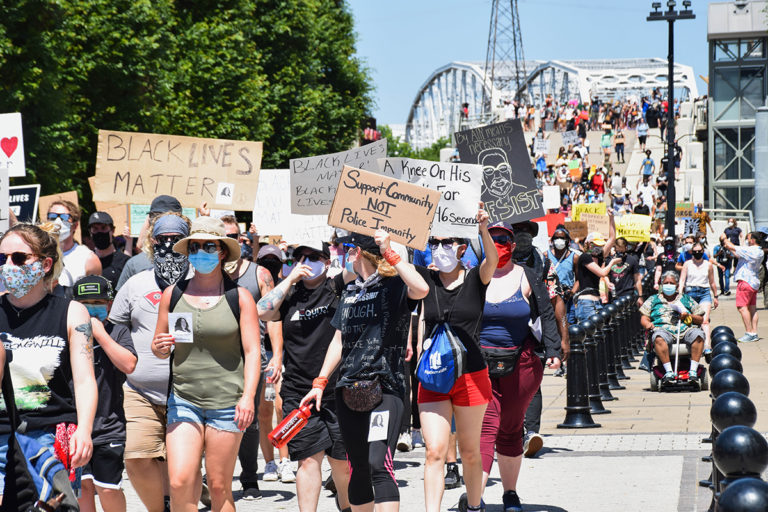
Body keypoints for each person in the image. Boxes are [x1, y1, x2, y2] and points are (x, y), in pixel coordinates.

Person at [300, 229, 429, 511]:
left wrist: (390, 253)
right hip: (348, 388)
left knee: (377, 462)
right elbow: (338, 340)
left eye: (349, 248)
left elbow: (421, 289)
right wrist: (320, 381)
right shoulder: (348, 291)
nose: (345, 254)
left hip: (385, 389)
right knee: (357, 466)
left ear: (358, 252)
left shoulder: (393, 286)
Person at [151, 216, 260, 511]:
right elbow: (160, 346)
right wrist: (160, 347)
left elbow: (253, 352)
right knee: (179, 481)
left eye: (208, 246)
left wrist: (248, 398)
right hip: (184, 399)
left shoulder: (240, 297)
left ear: (222, 251)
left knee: (219, 486)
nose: (201, 252)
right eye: (195, 246)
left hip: (227, 402)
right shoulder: (172, 294)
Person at [0, 223, 98, 498]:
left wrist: (85, 430)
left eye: (18, 258)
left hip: (52, 435)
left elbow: (84, 379)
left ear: (44, 264)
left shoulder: (72, 312)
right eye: (2, 258)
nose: (8, 265)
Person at [256, 238, 353, 512]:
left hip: (336, 390)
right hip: (299, 393)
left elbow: (356, 267)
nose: (306, 262)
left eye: (313, 257)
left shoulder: (336, 287)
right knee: (308, 460)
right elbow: (261, 311)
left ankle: (345, 505)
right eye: (300, 257)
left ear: (326, 261)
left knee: (342, 464)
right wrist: (288, 281)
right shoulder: (288, 296)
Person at [413, 205, 498, 512]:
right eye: (433, 243)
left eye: (446, 243)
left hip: (471, 377)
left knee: (470, 451)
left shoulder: (476, 278)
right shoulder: (425, 280)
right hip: (434, 377)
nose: (439, 249)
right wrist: (390, 242)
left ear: (462, 248)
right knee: (434, 451)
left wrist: (484, 228)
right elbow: (396, 266)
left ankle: (474, 506)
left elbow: (493, 260)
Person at [109, 212, 191, 512]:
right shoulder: (135, 284)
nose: (169, 245)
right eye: (162, 240)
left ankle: (178, 500)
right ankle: (160, 507)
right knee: (137, 456)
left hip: (190, 391)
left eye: (176, 239)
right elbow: (116, 323)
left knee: (181, 465)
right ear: (151, 243)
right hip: (141, 389)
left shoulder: (203, 284)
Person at [477, 222, 561, 511]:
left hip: (521, 364)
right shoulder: (476, 277)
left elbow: (547, 314)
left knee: (511, 429)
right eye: (491, 238)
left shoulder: (529, 276)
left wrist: (554, 351)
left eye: (503, 239)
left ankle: (510, 493)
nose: (498, 243)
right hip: (481, 365)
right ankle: (475, 497)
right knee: (487, 427)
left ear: (512, 245)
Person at [220, 215, 277, 499]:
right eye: (225, 236)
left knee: (250, 419)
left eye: (235, 236)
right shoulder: (207, 275)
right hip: (218, 360)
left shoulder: (259, 274)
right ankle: (219, 475)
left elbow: (275, 317)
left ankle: (249, 476)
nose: (232, 241)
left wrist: (277, 355)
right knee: (218, 419)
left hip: (253, 358)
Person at [73, 275, 137, 512]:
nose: (92, 308)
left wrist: (100, 334)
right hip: (74, 426)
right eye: (85, 303)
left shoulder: (118, 331)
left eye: (98, 301)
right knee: (83, 486)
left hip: (108, 425)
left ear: (109, 304)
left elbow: (129, 365)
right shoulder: (67, 332)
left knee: (108, 488)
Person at [254, 244, 293, 483]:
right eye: (264, 260)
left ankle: (285, 460)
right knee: (264, 411)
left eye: (274, 261)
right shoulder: (252, 286)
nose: (269, 264)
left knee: (281, 408)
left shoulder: (287, 289)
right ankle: (269, 463)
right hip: (261, 354)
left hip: (282, 355)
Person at [640, 271, 706, 388]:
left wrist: (689, 316)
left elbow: (700, 319)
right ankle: (669, 372)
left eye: (672, 283)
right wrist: (647, 324)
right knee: (658, 337)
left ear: (676, 285)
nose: (669, 285)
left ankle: (693, 372)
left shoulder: (685, 299)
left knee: (698, 335)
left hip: (685, 329)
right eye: (666, 283)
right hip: (663, 329)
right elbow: (644, 317)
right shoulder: (653, 299)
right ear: (661, 284)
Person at [116, 195, 183, 290]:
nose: (156, 221)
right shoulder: (135, 264)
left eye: (161, 217)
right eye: (153, 217)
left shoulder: (193, 261)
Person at [719, 231, 763, 343]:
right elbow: (738, 253)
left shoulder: (751, 249)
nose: (748, 240)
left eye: (749, 238)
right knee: (752, 309)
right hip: (753, 282)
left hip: (745, 282)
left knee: (742, 307)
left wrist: (724, 238)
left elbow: (731, 246)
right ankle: (754, 332)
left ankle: (749, 332)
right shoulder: (759, 251)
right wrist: (729, 247)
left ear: (753, 240)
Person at [47, 200, 102, 286]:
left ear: (75, 226)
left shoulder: (88, 259)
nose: (58, 222)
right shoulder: (38, 255)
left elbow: (94, 297)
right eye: (52, 217)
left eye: (64, 217)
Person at [574, 219, 618, 323]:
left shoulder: (599, 256)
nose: (598, 248)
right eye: (595, 245)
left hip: (597, 301)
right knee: (589, 334)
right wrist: (612, 262)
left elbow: (612, 239)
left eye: (600, 245)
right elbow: (602, 273)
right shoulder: (585, 257)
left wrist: (611, 218)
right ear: (588, 244)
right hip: (586, 303)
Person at [678, 242, 718, 355]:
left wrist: (715, 296)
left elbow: (712, 282)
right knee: (690, 319)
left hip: (704, 292)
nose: (697, 254)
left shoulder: (708, 265)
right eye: (695, 252)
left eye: (699, 251)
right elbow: (682, 280)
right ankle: (692, 342)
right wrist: (680, 294)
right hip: (690, 292)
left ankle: (707, 346)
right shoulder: (687, 264)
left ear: (703, 252)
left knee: (705, 320)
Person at [88, 212, 131, 290]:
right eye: (95, 229)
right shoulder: (86, 261)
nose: (99, 232)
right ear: (90, 232)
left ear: (113, 230)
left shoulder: (124, 261)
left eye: (103, 228)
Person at [546, 226, 579, 324]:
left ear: (568, 241)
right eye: (556, 238)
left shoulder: (574, 257)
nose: (559, 240)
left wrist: (571, 292)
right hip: (551, 298)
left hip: (567, 299)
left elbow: (578, 279)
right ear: (552, 241)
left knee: (569, 325)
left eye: (562, 238)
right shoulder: (546, 256)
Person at [608, 237, 643, 305]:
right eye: (618, 250)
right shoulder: (609, 260)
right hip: (613, 295)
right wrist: (607, 282)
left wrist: (640, 296)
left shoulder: (632, 260)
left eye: (622, 251)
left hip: (627, 295)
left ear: (626, 248)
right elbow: (604, 275)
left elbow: (637, 279)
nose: (620, 253)